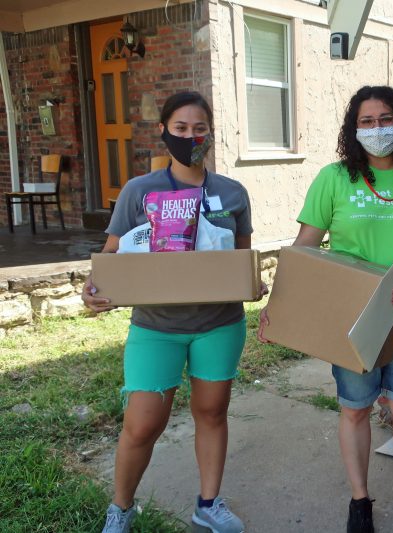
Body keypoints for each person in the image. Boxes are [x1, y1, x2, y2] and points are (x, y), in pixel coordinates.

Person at [258, 86, 393, 533]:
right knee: (355, 410)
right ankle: (360, 500)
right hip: (351, 322)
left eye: (386, 119)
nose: (377, 128)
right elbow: (304, 249)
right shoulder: (334, 178)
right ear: (353, 128)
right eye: (366, 121)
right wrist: (277, 306)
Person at [83, 91, 260, 533]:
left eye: (199, 128)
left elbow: (244, 259)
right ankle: (121, 509)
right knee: (142, 424)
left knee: (213, 412)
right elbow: (111, 257)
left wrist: (253, 283)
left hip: (219, 325)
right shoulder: (139, 192)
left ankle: (208, 503)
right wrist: (94, 290)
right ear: (164, 132)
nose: (190, 136)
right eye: (180, 128)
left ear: (211, 134)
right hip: (155, 327)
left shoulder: (232, 193)